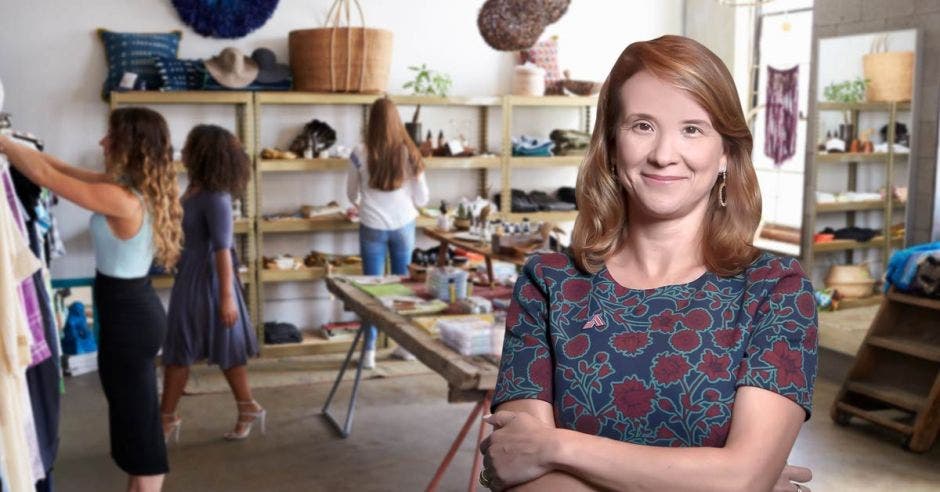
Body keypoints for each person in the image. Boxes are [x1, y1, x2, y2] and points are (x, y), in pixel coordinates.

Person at [480, 35, 818, 492]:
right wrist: (715, 481)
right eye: (642, 126)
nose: (663, 153)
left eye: (692, 129)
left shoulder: (775, 291)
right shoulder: (549, 285)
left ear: (726, 154)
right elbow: (523, 474)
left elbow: (741, 477)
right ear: (612, 144)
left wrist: (557, 447)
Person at [0, 107, 182, 492]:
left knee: (141, 429)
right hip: (130, 314)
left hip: (130, 320)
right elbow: (56, 167)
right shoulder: (128, 187)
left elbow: (46, 176)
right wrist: (13, 141)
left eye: (110, 137)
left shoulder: (122, 199)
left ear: (130, 145)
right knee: (135, 421)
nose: (102, 142)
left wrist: (0, 142)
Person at [160, 125, 263, 443]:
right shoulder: (195, 189)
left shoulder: (216, 197)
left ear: (203, 153)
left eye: (189, 145)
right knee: (196, 347)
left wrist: (228, 297)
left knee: (188, 348)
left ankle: (165, 418)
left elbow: (222, 249)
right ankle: (247, 407)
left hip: (210, 281)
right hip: (190, 276)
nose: (183, 150)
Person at [347, 97, 430, 368]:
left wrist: (362, 205)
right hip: (404, 225)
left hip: (371, 225)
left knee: (370, 291)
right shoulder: (409, 152)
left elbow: (351, 194)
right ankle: (406, 347)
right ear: (397, 121)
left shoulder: (359, 152)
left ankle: (369, 352)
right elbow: (423, 198)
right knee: (403, 289)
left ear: (371, 121)